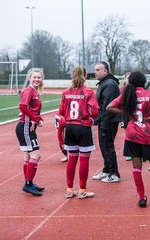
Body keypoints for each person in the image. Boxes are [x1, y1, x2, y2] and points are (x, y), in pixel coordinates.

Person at [106, 71, 150, 208]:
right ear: (144, 81)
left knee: (136, 168)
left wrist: (126, 114)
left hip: (132, 134)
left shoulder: (127, 95)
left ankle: (141, 198)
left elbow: (109, 107)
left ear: (131, 82)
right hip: (147, 133)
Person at [58, 66, 99, 199]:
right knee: (84, 159)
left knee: (72, 159)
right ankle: (82, 190)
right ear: (85, 75)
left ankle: (69, 189)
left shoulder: (65, 92)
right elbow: (95, 111)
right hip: (83, 127)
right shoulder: (88, 92)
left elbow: (61, 112)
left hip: (70, 128)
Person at [15, 68, 45, 196]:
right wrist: (35, 119)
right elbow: (22, 106)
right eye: (34, 77)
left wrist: (39, 119)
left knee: (27, 156)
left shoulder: (35, 91)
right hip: (25, 127)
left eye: (39, 77)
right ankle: (28, 184)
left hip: (28, 126)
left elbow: (33, 110)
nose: (37, 79)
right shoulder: (29, 91)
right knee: (36, 155)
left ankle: (29, 183)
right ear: (29, 78)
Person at [92, 61, 122, 183]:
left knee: (108, 146)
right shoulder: (104, 83)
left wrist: (103, 123)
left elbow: (107, 107)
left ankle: (114, 173)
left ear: (105, 71)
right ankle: (106, 170)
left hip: (108, 121)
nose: (95, 72)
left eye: (98, 70)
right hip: (104, 120)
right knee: (104, 146)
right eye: (95, 70)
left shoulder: (109, 84)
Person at [121, 72, 132, 161]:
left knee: (137, 133)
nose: (129, 79)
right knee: (128, 134)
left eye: (130, 77)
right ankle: (129, 153)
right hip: (125, 115)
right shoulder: (121, 89)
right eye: (127, 77)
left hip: (134, 114)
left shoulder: (135, 89)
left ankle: (139, 152)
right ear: (125, 79)